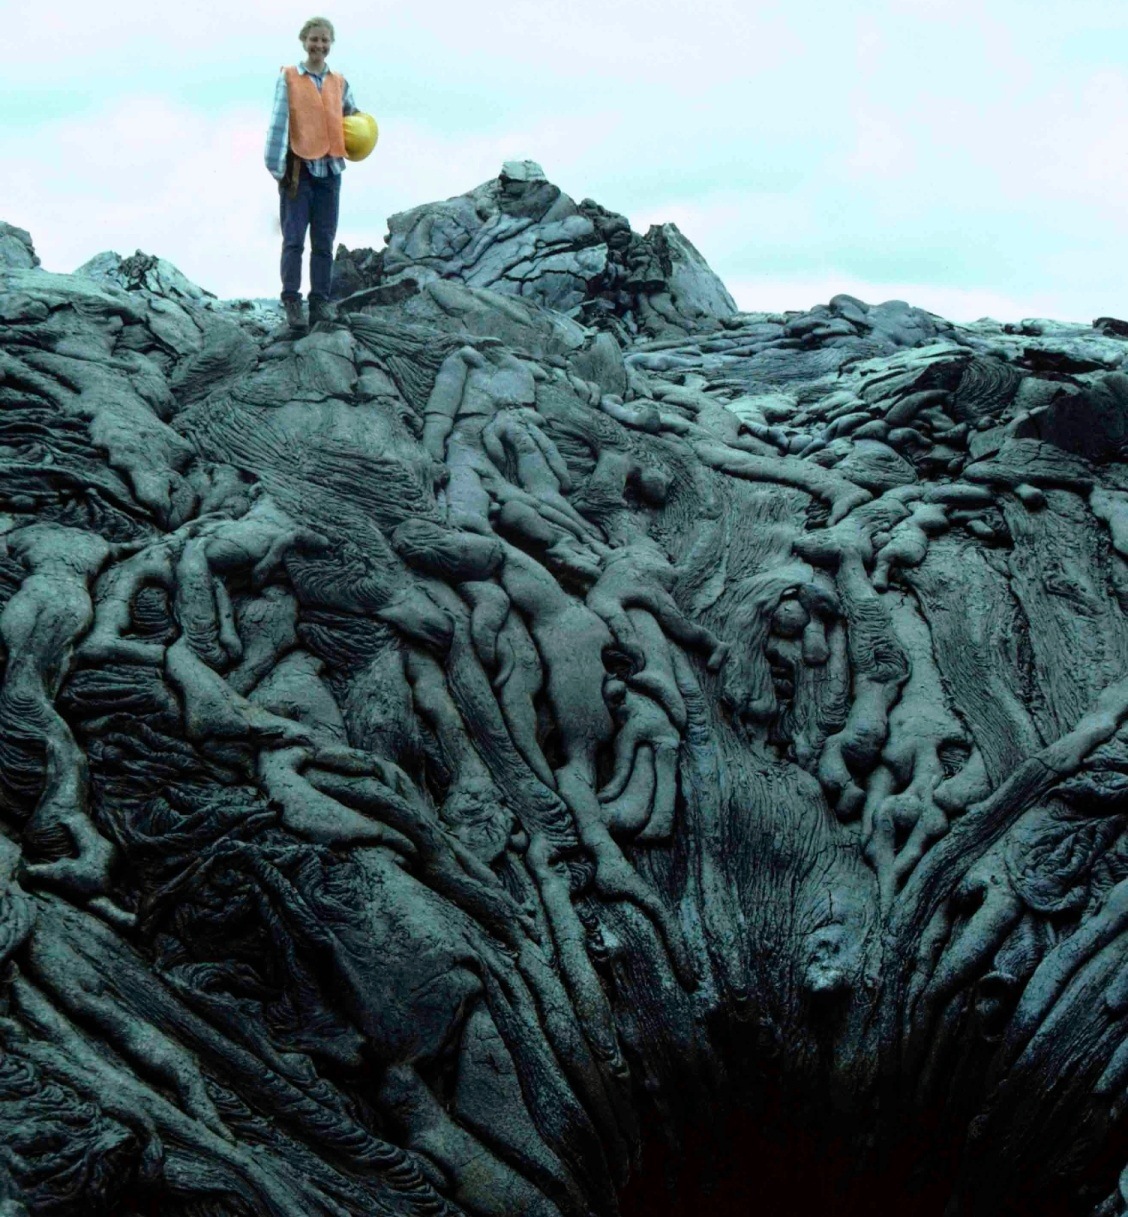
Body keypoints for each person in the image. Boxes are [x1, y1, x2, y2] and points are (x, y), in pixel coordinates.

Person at [264, 17, 358, 330]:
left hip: (330, 171)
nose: (319, 45)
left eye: (325, 40)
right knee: (293, 241)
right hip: (299, 171)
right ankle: (292, 303)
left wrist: (364, 135)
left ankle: (320, 303)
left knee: (324, 241)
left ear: (331, 44)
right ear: (304, 41)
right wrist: (278, 170)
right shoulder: (290, 77)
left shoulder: (339, 81)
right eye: (314, 39)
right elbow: (279, 124)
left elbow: (352, 117)